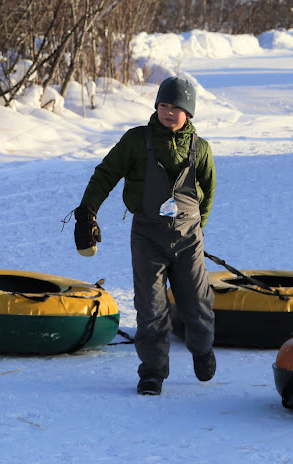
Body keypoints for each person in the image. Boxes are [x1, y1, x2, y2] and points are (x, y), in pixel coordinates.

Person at [73, 76, 216, 396]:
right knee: (150, 307)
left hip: (188, 237)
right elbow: (106, 173)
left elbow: (208, 192)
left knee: (197, 303)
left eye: (176, 107)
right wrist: (87, 211)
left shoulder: (201, 148)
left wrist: (197, 227)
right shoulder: (137, 140)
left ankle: (203, 347)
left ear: (189, 113)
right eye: (163, 105)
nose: (168, 111)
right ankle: (152, 371)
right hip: (147, 236)